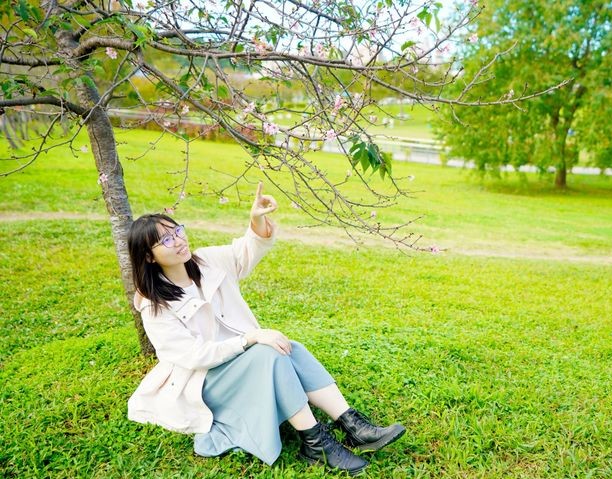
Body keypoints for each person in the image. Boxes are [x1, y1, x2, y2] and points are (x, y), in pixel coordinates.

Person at [126, 182, 405, 475]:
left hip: (242, 363)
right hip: (204, 382)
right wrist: (249, 339)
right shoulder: (153, 303)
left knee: (290, 348)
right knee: (267, 353)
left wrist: (257, 219)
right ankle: (315, 443)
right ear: (148, 256)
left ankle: (353, 425)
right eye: (166, 240)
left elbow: (244, 252)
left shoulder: (207, 261)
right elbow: (193, 356)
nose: (179, 240)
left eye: (177, 231)